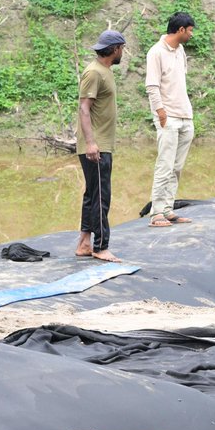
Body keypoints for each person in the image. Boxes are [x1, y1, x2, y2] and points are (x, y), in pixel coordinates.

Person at [75, 29, 125, 262]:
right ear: (114, 49)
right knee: (101, 197)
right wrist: (92, 143)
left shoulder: (104, 71)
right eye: (122, 49)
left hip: (101, 143)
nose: (123, 52)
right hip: (97, 146)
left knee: (92, 194)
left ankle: (84, 243)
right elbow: (84, 108)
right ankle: (101, 247)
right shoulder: (94, 72)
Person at [145, 12, 196, 227]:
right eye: (190, 30)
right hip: (168, 117)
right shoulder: (156, 52)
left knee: (177, 167)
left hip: (185, 116)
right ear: (181, 30)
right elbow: (152, 86)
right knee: (164, 165)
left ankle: (168, 209)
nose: (192, 35)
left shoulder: (181, 50)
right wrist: (161, 112)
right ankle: (156, 212)